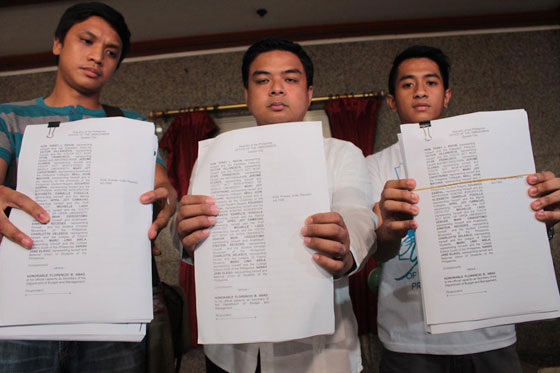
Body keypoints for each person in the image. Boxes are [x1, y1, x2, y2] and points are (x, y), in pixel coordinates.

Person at [174, 37, 376, 373]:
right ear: (247, 95)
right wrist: (183, 234)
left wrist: (347, 246)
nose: (277, 89)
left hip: (321, 354)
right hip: (231, 352)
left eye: (290, 79)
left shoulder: (342, 153)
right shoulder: (212, 158)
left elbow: (357, 211)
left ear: (309, 92)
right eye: (263, 80)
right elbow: (191, 232)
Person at [0, 2, 176, 372]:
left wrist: (166, 199)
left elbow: (163, 187)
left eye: (111, 52)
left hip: (110, 314)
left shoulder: (133, 125)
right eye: (87, 41)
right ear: (58, 43)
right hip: (25, 313)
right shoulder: (10, 118)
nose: (98, 56)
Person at [366, 45, 560, 372]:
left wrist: (543, 216)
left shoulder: (490, 152)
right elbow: (379, 250)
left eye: (431, 82)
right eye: (407, 84)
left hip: (490, 334)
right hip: (409, 338)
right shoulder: (372, 166)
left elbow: (514, 231)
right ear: (391, 100)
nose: (420, 91)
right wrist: (388, 227)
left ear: (447, 95)